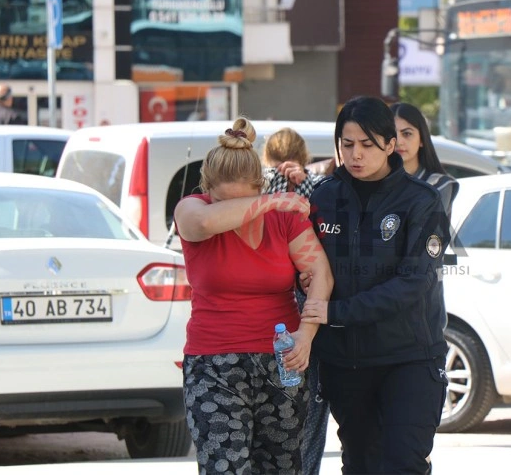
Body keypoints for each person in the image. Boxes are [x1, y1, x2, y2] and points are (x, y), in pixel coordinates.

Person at [173, 117, 333, 474]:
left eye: (244, 200)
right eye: (223, 203)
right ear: (206, 188)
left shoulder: (284, 219)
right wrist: (269, 202)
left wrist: (307, 334)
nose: (235, 215)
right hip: (214, 363)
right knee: (224, 468)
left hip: (281, 360)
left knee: (280, 468)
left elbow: (320, 272)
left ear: (257, 185)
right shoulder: (192, 209)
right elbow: (202, 224)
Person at [300, 96, 451, 474]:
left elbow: (413, 283)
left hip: (410, 359)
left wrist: (336, 312)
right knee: (360, 465)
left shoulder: (422, 201)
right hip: (345, 364)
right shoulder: (323, 198)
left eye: (367, 145)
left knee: (404, 463)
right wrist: (302, 277)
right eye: (347, 144)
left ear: (388, 144)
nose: (356, 155)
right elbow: (304, 266)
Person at [261, 126, 330, 475]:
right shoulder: (320, 191)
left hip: (259, 322)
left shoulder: (252, 188)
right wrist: (304, 184)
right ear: (304, 157)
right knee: (309, 420)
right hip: (310, 319)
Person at [390, 102, 459, 218]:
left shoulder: (438, 186)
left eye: (407, 134)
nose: (398, 142)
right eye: (391, 134)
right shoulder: (371, 183)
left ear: (422, 139)